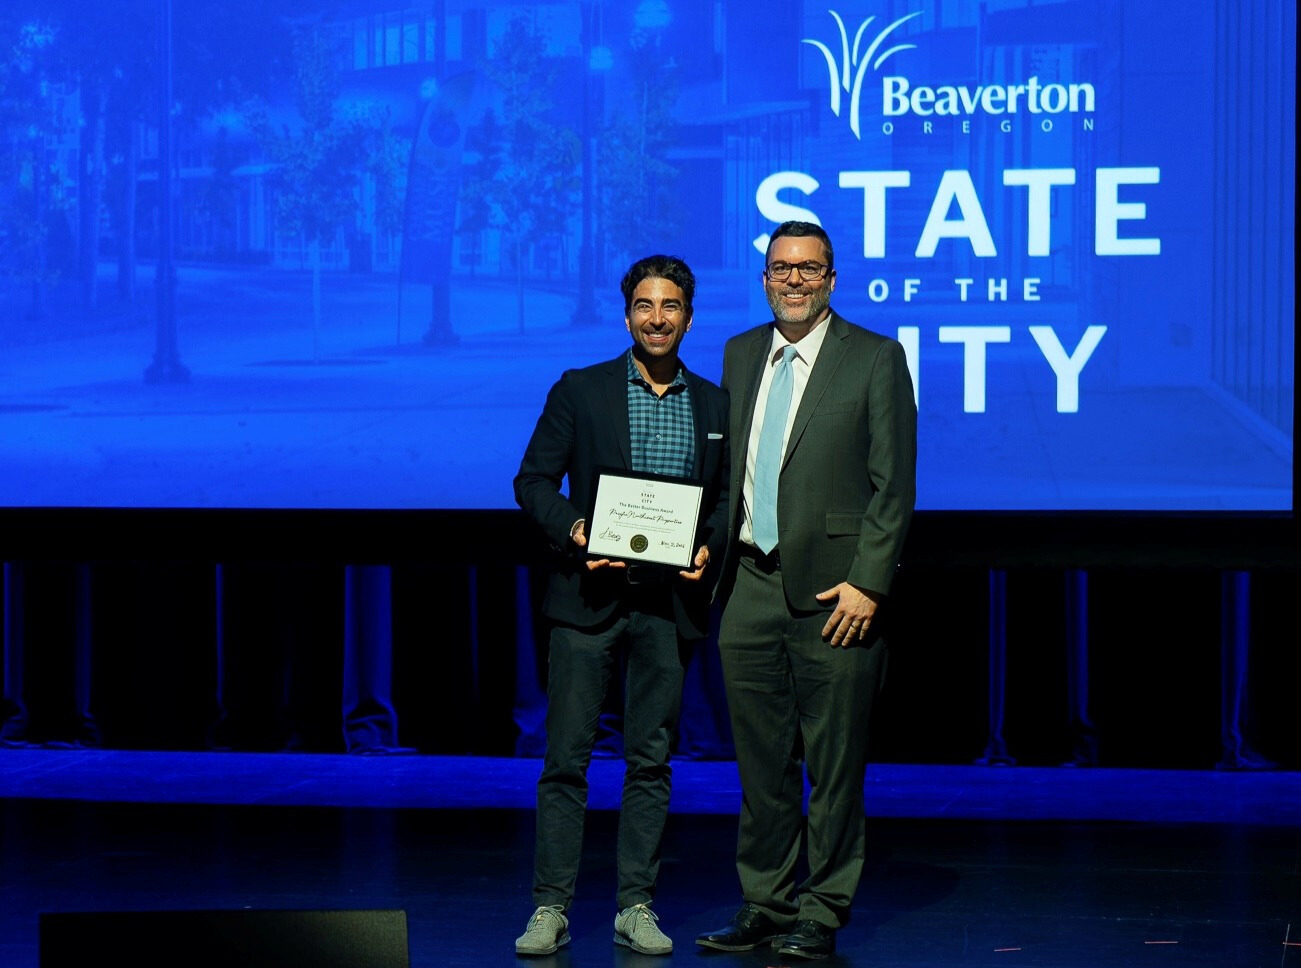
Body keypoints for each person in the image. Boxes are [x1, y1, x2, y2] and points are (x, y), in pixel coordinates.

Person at [696, 221, 917, 960]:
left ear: (830, 279)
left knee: (833, 767)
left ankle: (820, 912)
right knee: (761, 767)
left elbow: (893, 487)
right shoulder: (738, 353)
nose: (793, 280)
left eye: (808, 269)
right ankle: (764, 901)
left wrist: (869, 583)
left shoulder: (876, 358)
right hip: (749, 588)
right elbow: (732, 478)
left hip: (836, 596)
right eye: (779, 268)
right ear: (763, 278)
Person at [512, 254, 729, 956]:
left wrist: (707, 547)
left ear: (688, 318)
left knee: (650, 763)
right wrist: (577, 530)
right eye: (643, 304)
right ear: (627, 312)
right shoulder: (581, 390)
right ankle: (550, 907)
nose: (656, 317)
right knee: (566, 761)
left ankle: (636, 905)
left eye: (669, 306)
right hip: (587, 602)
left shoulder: (714, 404)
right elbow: (534, 480)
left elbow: (724, 501)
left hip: (667, 609)